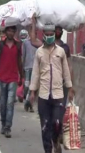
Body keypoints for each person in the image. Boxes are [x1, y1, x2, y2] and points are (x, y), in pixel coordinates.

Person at [29, 24, 74, 153]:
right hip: (43, 95)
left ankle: (55, 141)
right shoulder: (39, 52)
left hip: (58, 94)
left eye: (51, 35)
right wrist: (33, 92)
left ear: (54, 35)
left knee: (57, 123)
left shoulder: (61, 51)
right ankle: (48, 150)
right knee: (45, 126)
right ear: (43, 35)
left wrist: (70, 88)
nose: (49, 37)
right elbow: (35, 73)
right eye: (47, 35)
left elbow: (66, 71)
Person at [0, 22, 23, 138]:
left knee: (10, 103)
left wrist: (22, 76)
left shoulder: (18, 45)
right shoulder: (0, 44)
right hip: (2, 78)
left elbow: (20, 62)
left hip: (13, 78)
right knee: (3, 104)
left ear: (14, 33)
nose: (11, 33)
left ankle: (8, 127)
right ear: (6, 32)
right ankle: (3, 123)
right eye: (9, 31)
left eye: (13, 31)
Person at [21, 28, 40, 112]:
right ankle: (26, 100)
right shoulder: (26, 43)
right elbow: (23, 55)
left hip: (36, 68)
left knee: (34, 87)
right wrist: (22, 67)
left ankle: (30, 104)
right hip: (27, 68)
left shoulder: (39, 43)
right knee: (27, 86)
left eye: (35, 32)